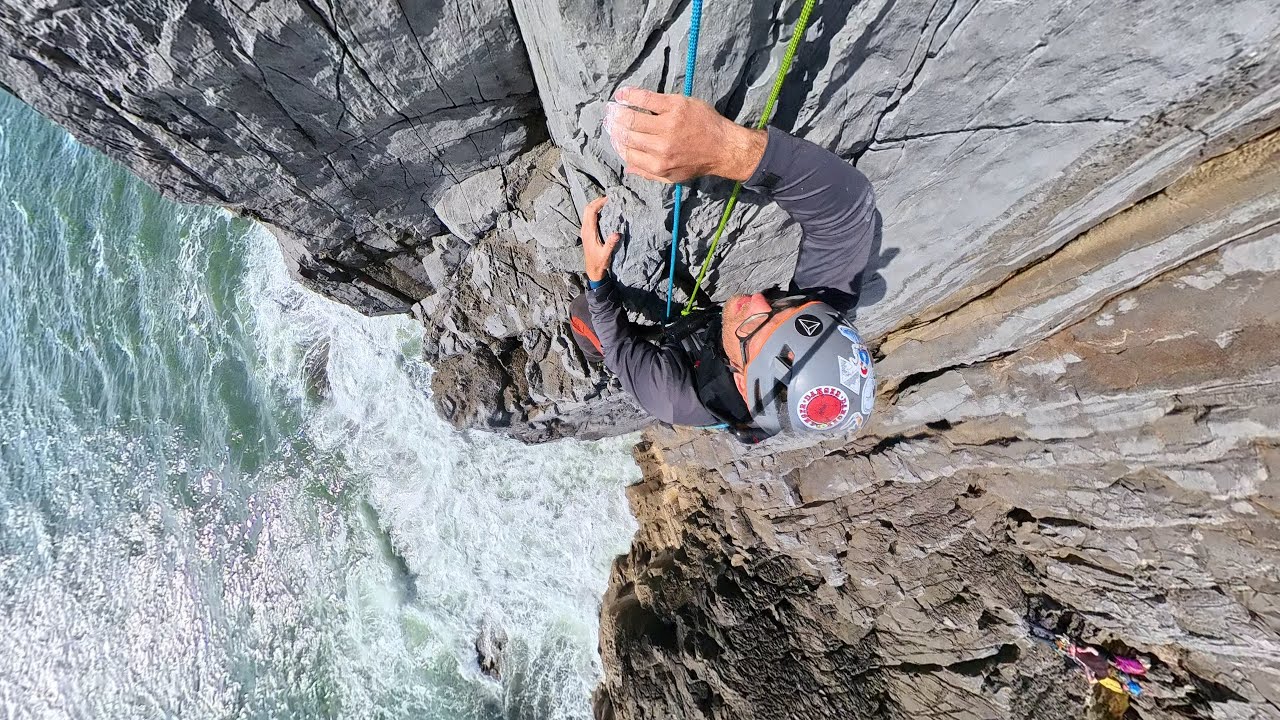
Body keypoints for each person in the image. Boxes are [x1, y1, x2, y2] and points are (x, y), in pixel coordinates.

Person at [568, 86, 878, 440]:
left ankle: (593, 359)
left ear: (745, 384)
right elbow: (848, 208)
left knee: (585, 313)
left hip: (668, 359)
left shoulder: (671, 397)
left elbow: (621, 346)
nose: (760, 300)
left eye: (757, 326)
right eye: (781, 307)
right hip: (708, 342)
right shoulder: (814, 328)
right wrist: (728, 149)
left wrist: (596, 277)